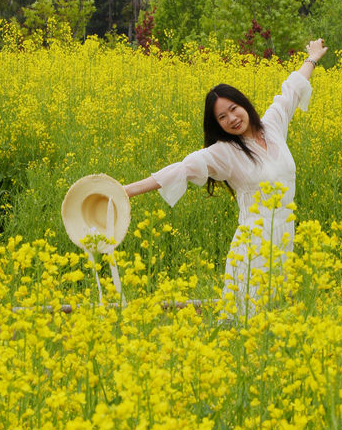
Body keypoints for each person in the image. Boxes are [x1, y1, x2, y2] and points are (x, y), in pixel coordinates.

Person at [123, 38, 328, 315]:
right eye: (222, 117)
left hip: (284, 238)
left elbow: (291, 89)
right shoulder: (224, 152)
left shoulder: (272, 126)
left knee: (276, 319)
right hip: (253, 245)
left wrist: (312, 58)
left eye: (233, 109)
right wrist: (125, 191)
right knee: (247, 318)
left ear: (244, 104)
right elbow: (180, 169)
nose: (232, 118)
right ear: (217, 125)